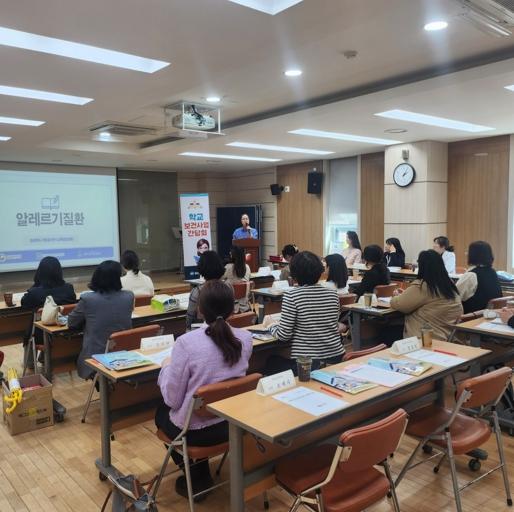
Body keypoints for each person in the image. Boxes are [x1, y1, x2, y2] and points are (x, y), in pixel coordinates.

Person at [155, 280, 253, 499]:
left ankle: (197, 478)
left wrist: (166, 368)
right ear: (233, 309)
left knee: (161, 412)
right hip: (232, 423)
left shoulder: (186, 343)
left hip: (195, 432)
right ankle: (200, 474)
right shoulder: (245, 338)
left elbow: (172, 400)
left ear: (200, 310)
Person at [264, 251, 343, 373]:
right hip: (336, 357)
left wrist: (271, 325)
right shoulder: (333, 294)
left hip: (307, 363)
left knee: (270, 361)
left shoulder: (292, 295)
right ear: (319, 271)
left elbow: (284, 335)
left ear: (294, 274)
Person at [68, 260, 134, 379]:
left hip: (96, 358)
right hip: (124, 355)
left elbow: (71, 322)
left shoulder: (87, 299)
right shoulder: (129, 296)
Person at [390, 250, 463, 340]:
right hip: (447, 337)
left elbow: (399, 304)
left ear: (422, 266)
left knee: (386, 332)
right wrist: (406, 294)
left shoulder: (424, 286)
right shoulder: (449, 284)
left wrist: (395, 296)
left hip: (425, 339)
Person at [21, 256, 77, 366]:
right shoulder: (69, 288)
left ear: (40, 273)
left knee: (32, 328)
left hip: (41, 336)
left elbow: (24, 303)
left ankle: (30, 362)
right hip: (64, 333)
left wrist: (36, 285)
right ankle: (45, 357)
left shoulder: (35, 292)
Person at [456, 241, 502, 313]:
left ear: (473, 255)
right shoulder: (492, 272)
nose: (466, 254)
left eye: (468, 252)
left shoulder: (471, 275)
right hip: (490, 315)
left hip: (471, 316)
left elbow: (454, 298)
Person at [186, 251, 225, 330]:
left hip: (202, 331)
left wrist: (188, 328)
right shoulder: (227, 288)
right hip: (223, 329)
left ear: (201, 268)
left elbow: (190, 316)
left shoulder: (197, 291)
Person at [223, 245, 251, 312]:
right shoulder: (247, 267)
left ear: (233, 255)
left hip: (231, 307)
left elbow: (219, 278)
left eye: (230, 254)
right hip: (245, 306)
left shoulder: (229, 267)